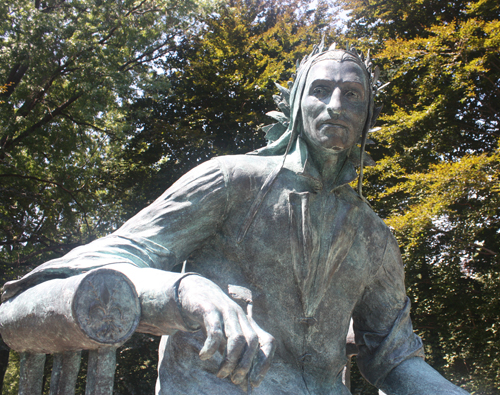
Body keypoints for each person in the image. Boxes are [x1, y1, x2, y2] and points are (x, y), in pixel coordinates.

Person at [1, 41, 470, 394]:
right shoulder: (230, 180)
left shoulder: (374, 236)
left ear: (367, 115)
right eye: (321, 91)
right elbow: (106, 260)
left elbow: (394, 357)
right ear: (294, 105)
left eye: (352, 95)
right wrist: (186, 291)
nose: (335, 106)